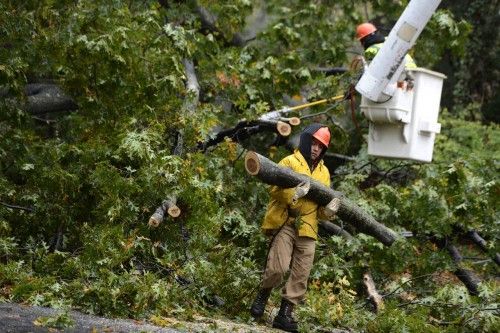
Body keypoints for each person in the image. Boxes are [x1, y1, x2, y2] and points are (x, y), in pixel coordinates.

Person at [250, 123, 340, 333]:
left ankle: (285, 314)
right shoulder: (289, 161)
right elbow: (274, 189)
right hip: (286, 222)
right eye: (314, 144)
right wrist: (294, 194)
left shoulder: (324, 173)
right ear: (306, 141)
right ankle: (262, 296)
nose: (316, 149)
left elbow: (319, 211)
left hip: (308, 227)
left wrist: (328, 211)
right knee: (277, 267)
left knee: (301, 273)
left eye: (321, 146)